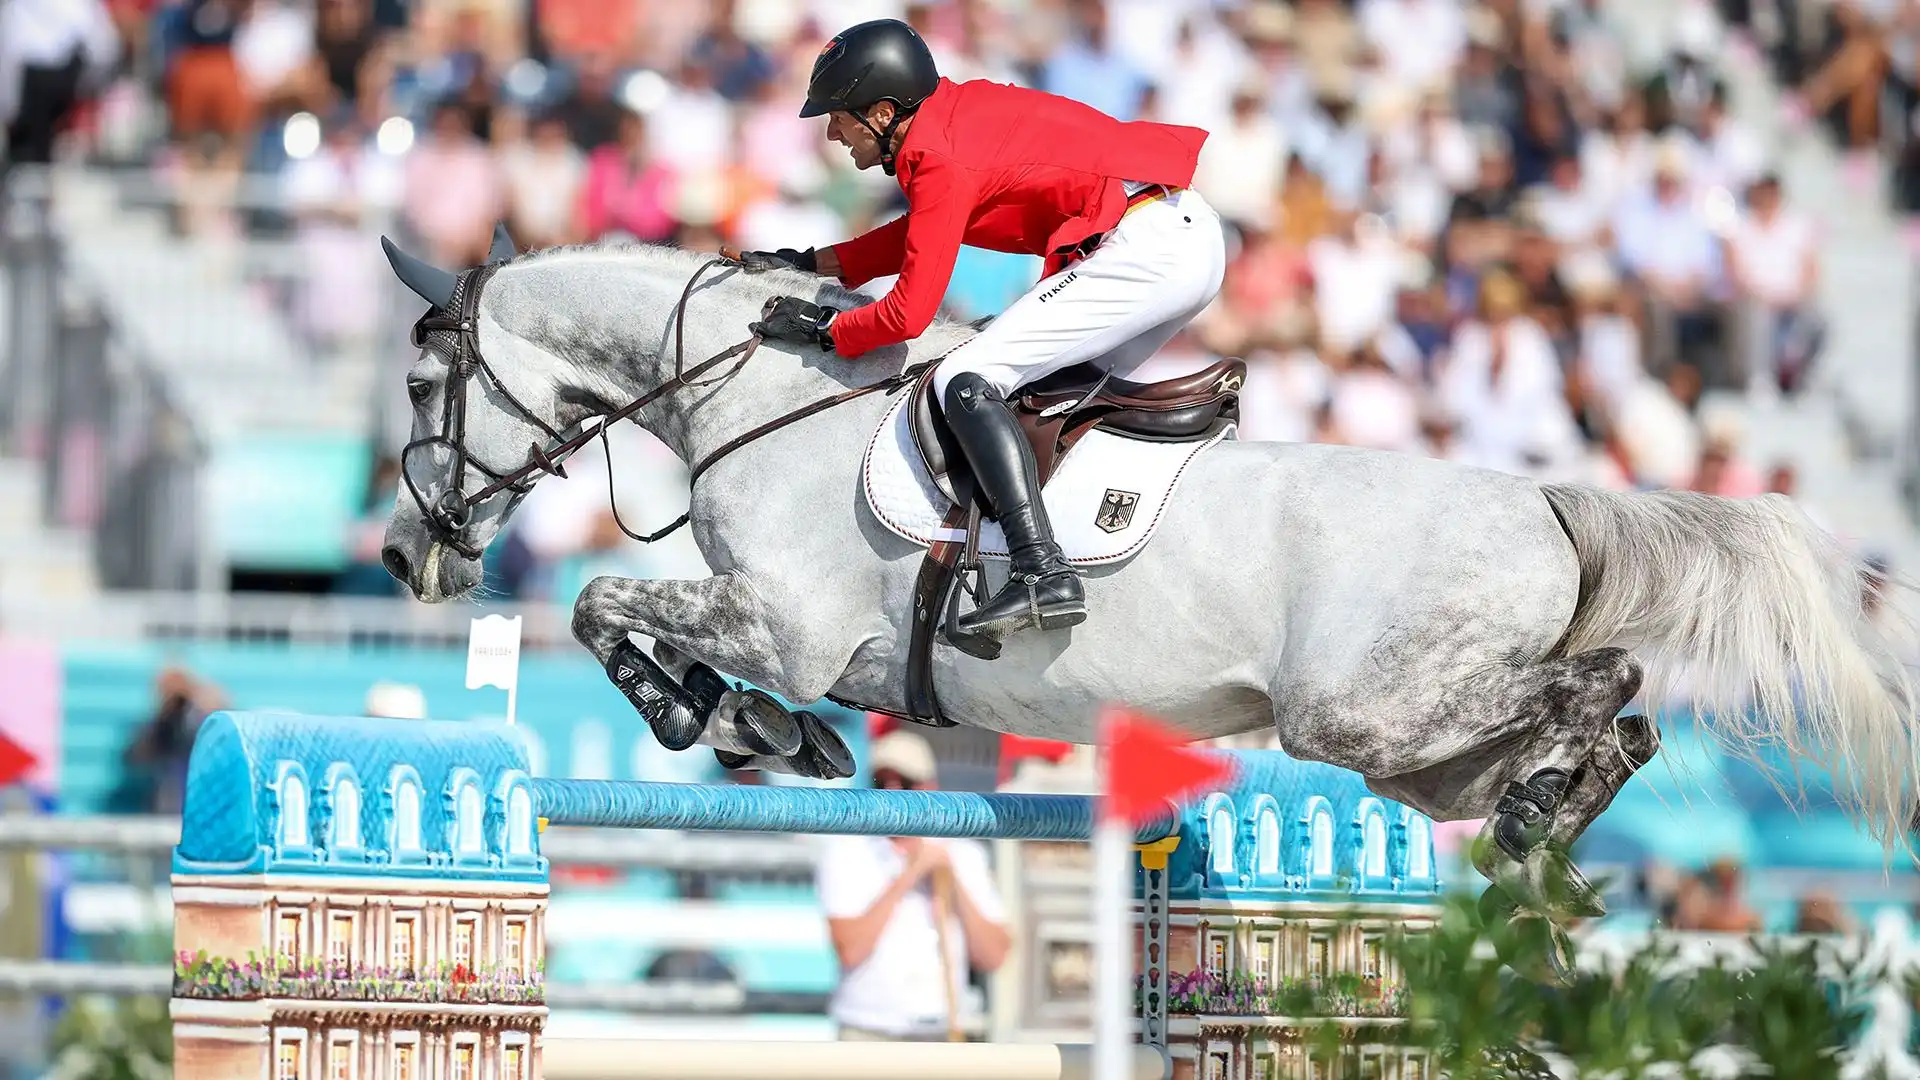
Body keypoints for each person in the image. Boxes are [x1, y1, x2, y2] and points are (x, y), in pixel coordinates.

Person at [735, 18, 1224, 646]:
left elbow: (907, 316)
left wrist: (827, 327)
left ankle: (1040, 571)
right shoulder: (946, 123)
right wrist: (816, 263)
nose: (832, 131)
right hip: (1174, 234)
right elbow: (925, 233)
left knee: (966, 380)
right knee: (1047, 389)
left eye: (839, 115)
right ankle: (1063, 552)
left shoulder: (938, 155)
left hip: (1148, 245)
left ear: (884, 111)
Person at [814, 729, 1012, 1041]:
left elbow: (994, 956)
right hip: (869, 1032)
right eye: (882, 782)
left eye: (904, 783)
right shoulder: (848, 851)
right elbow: (850, 950)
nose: (893, 793)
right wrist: (910, 875)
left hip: (941, 1032)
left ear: (929, 787)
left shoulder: (962, 854)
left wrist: (953, 886)